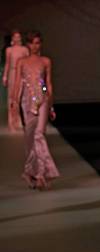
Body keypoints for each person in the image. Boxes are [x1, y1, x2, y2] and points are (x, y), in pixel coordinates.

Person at [12, 31, 59, 189]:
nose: (34, 46)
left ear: (41, 44)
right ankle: (30, 172)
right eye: (32, 43)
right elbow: (18, 83)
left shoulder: (46, 61)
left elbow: (48, 84)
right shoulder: (21, 62)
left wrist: (51, 104)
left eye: (37, 42)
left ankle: (41, 174)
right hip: (26, 102)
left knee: (39, 134)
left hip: (43, 100)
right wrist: (14, 102)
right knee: (29, 138)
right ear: (27, 44)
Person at [2, 30, 29, 131]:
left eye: (19, 37)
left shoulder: (25, 49)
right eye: (15, 37)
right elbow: (8, 63)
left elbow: (27, 62)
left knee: (21, 96)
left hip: (22, 74)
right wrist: (5, 76)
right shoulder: (9, 50)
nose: (17, 39)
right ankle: (12, 122)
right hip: (12, 73)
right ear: (12, 38)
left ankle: (20, 121)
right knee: (11, 97)